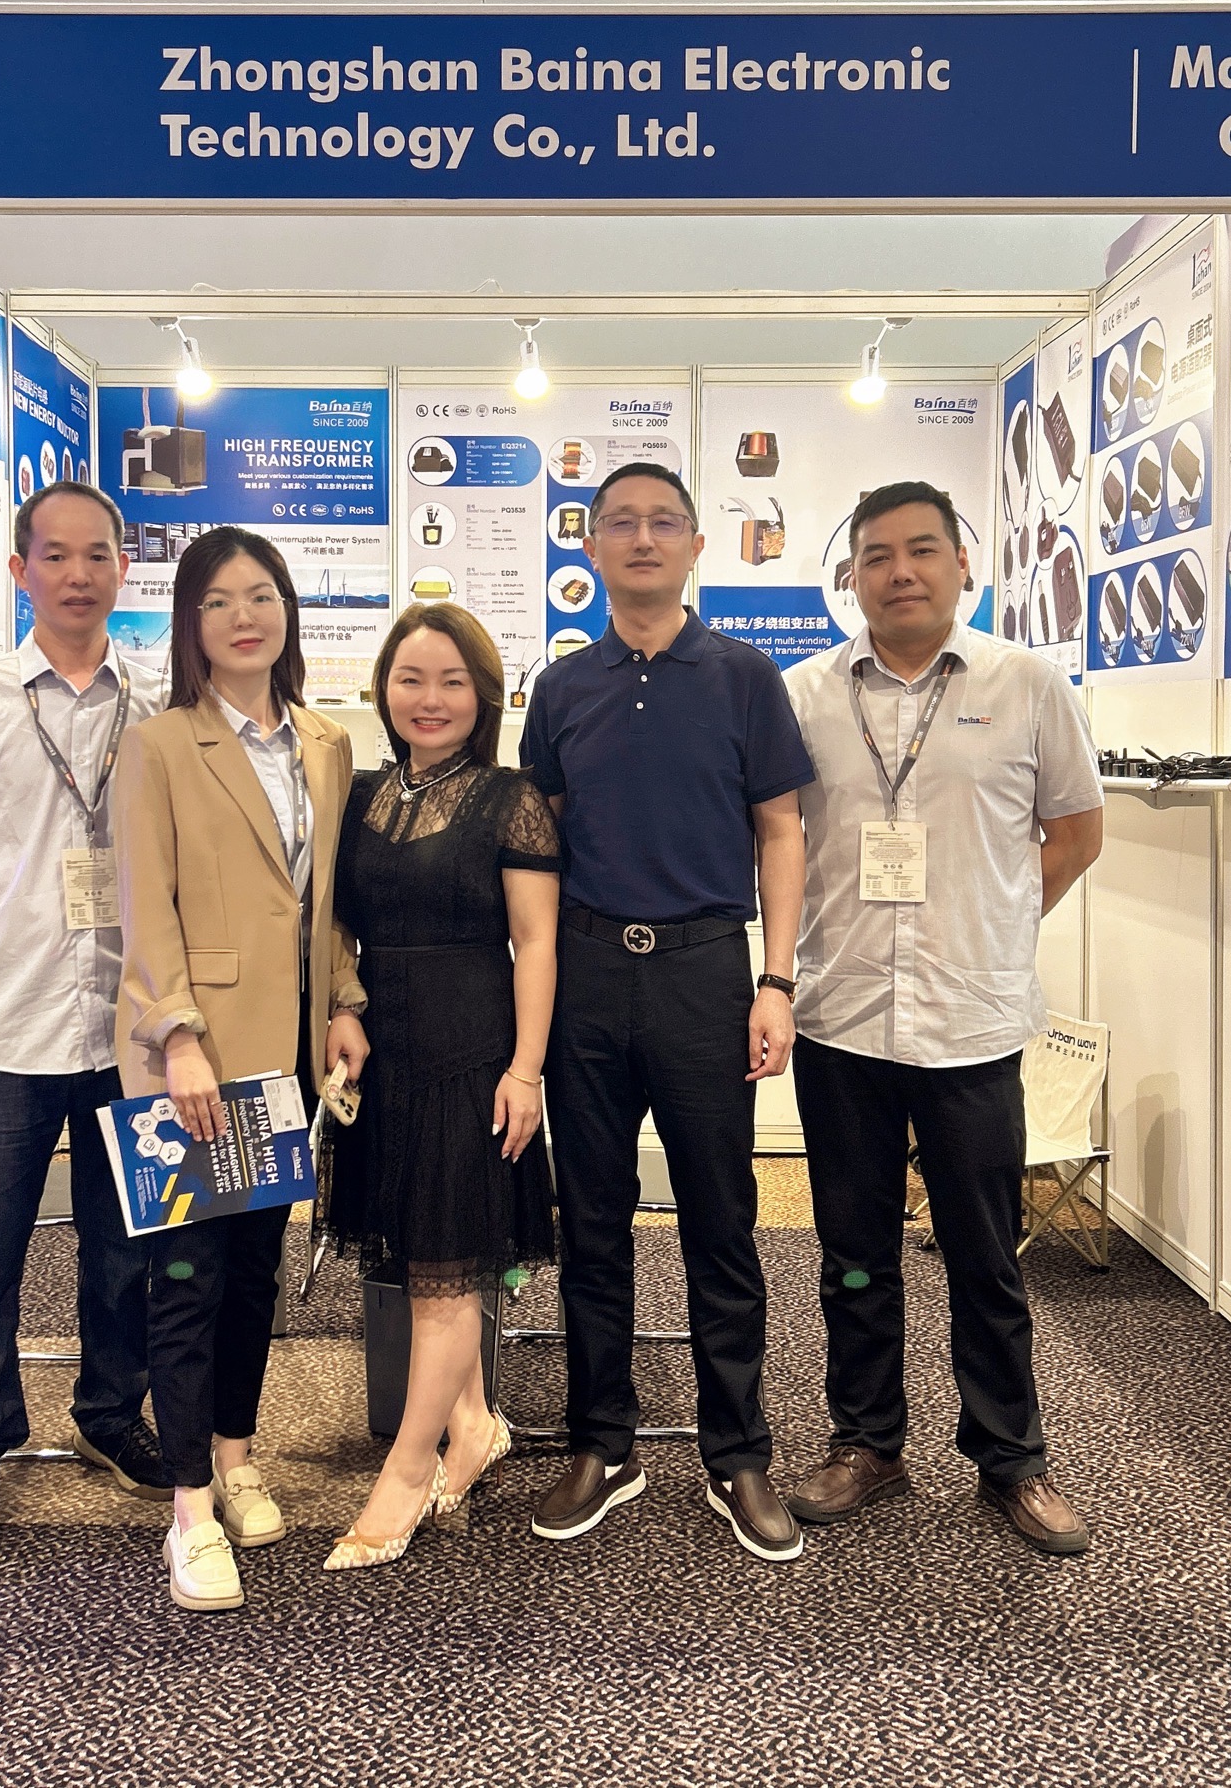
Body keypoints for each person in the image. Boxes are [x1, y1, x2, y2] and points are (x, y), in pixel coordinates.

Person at [781, 480, 1104, 1557]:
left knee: (984, 1254)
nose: (901, 572)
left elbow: (1076, 833)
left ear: (963, 564)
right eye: (877, 556)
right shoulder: (802, 695)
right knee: (853, 1253)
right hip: (843, 1018)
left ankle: (1010, 1456)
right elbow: (775, 841)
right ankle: (866, 1442)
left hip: (971, 1022)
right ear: (851, 576)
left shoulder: (1028, 685)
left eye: (922, 550)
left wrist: (998, 924)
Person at [519, 462, 814, 1562]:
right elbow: (540, 848)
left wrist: (776, 979)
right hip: (589, 974)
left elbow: (780, 831)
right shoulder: (561, 689)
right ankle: (603, 1441)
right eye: (621, 523)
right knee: (591, 1221)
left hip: (705, 972)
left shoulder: (744, 677)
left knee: (720, 1222)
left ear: (696, 545)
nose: (642, 539)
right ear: (590, 546)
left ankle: (737, 1452)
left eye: (663, 523)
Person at [0, 481, 167, 1572]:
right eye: (54, 555)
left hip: (125, 1031)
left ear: (121, 568)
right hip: (4, 1024)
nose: (76, 574)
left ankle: (110, 1414)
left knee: (126, 1250)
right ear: (20, 571)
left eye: (96, 554)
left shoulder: (153, 702)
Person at [113, 526, 368, 1612]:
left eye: (260, 594)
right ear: (191, 623)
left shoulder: (326, 742)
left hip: (288, 1057)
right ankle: (187, 1510)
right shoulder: (159, 745)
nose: (242, 616)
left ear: (288, 609)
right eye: (216, 601)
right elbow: (144, 905)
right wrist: (175, 1036)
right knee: (186, 1279)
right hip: (193, 1058)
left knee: (256, 1271)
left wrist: (344, 1001)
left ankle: (233, 1455)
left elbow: (329, 901)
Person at [320, 602, 561, 1571]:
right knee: (421, 1248)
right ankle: (474, 1423)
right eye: (411, 679)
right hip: (383, 1045)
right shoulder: (362, 795)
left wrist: (525, 1070)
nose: (430, 699)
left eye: (452, 681)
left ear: (483, 695)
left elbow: (535, 942)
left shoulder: (512, 798)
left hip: (471, 1048)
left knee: (447, 1267)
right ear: (383, 688)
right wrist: (341, 1004)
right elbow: (333, 920)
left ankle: (407, 1470)